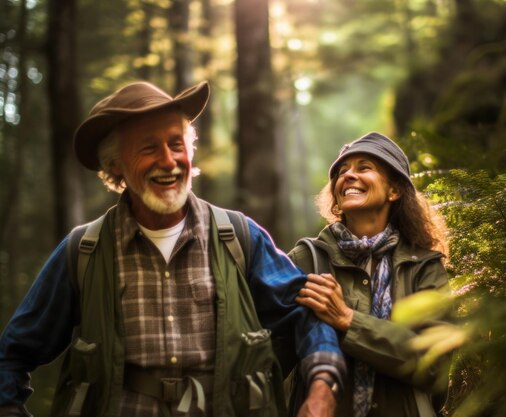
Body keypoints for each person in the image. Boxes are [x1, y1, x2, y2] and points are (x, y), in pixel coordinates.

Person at [0, 81, 345, 417]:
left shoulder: (238, 236)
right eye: (148, 148)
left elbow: (307, 313)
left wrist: (322, 388)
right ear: (116, 164)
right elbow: (12, 353)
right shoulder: (84, 251)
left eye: (176, 143)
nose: (169, 161)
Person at [288, 132, 450, 417]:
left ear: (394, 191)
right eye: (342, 171)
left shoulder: (423, 266)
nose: (348, 176)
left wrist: (347, 320)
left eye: (364, 168)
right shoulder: (306, 260)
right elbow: (269, 353)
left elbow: (434, 363)